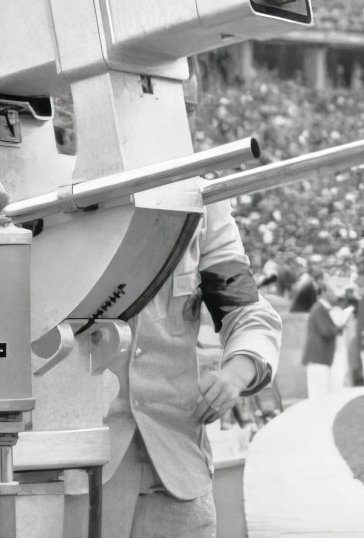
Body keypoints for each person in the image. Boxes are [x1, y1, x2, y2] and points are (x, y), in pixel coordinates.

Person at [98, 200, 282, 537]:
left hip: (178, 468)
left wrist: (236, 374)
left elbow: (246, 310)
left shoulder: (201, 203)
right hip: (77, 473)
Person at [300, 281, 348, 398]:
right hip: (317, 357)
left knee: (321, 393)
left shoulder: (321, 309)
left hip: (320, 358)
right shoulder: (319, 309)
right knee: (318, 395)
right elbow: (325, 330)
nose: (334, 295)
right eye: (331, 291)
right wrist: (338, 328)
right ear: (325, 293)